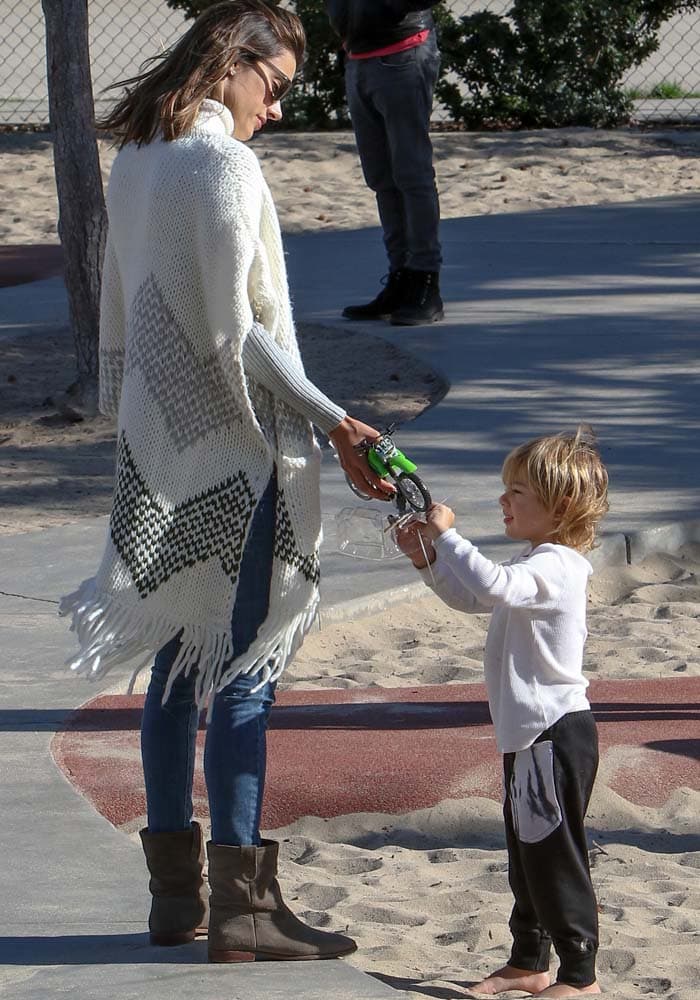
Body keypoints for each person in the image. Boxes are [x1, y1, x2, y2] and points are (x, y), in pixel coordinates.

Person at [60, 0, 394, 965]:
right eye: (276, 86)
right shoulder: (220, 165)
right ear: (229, 62)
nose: (277, 109)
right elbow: (245, 336)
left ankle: (177, 902)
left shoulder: (138, 161)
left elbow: (133, 314)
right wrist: (338, 424)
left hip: (162, 451)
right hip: (239, 457)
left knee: (177, 667)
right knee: (243, 674)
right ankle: (243, 905)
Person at [396, 428, 609, 998]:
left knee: (554, 853)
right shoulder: (535, 560)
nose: (503, 501)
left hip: (554, 732)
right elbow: (470, 597)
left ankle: (579, 975)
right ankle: (528, 959)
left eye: (517, 492)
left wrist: (451, 535)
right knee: (526, 852)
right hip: (527, 735)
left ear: (559, 506)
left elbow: (490, 586)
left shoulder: (560, 565)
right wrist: (428, 560)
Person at [325, 1, 443, 325]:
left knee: (411, 173)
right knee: (381, 177)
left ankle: (425, 281)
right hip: (358, 56)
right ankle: (401, 276)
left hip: (404, 51)